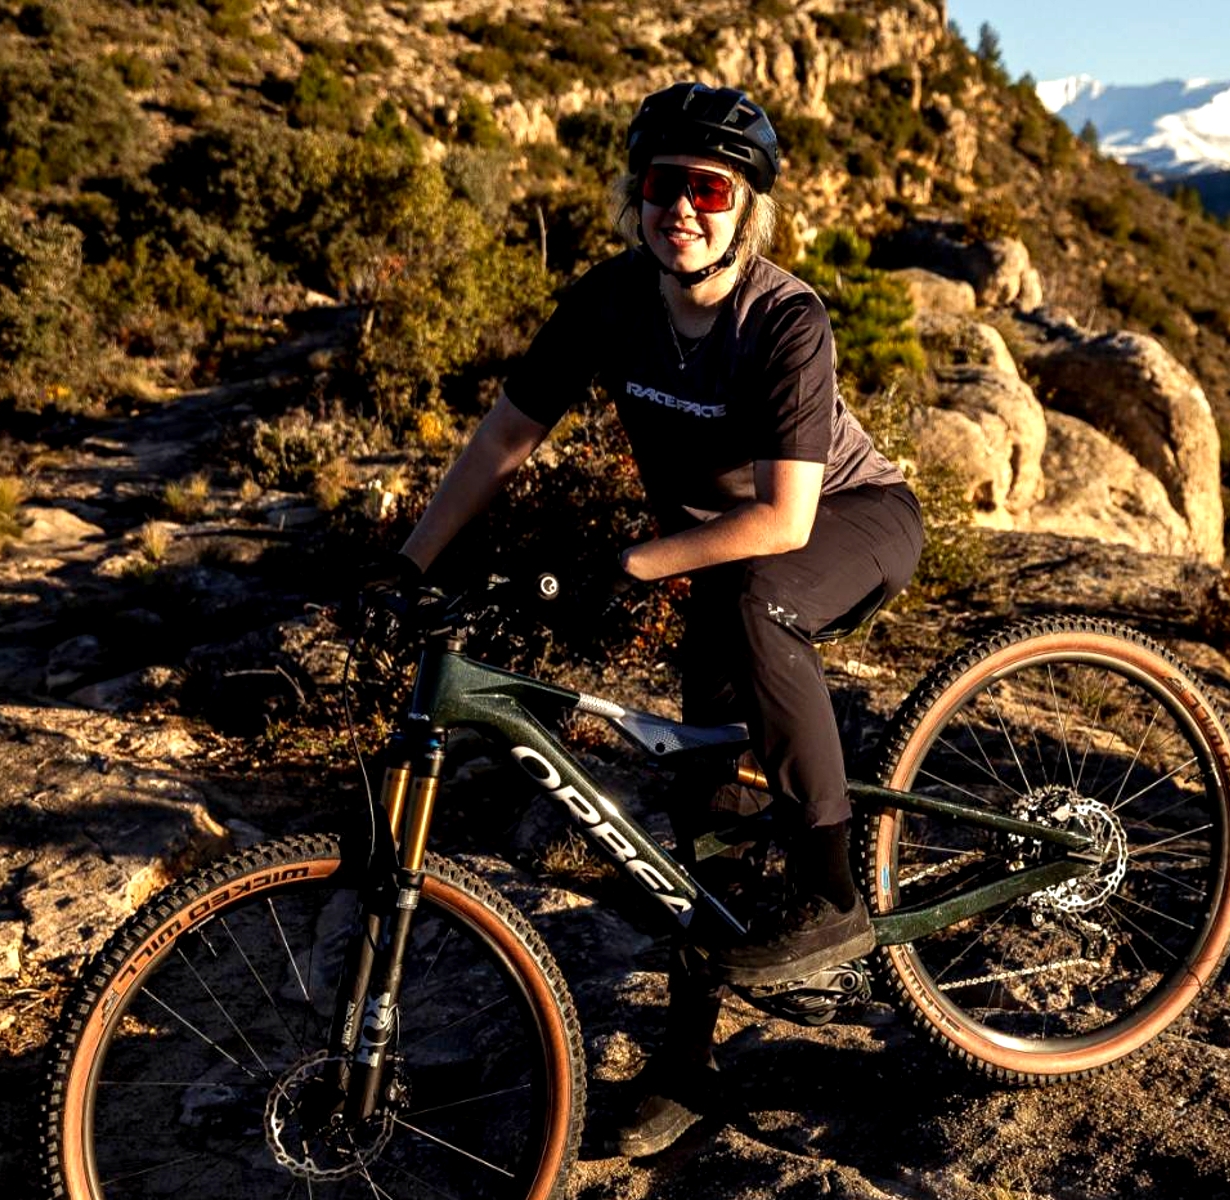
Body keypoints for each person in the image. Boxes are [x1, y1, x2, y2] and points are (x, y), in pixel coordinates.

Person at [386, 82, 925, 1156]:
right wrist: (405, 563)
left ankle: (830, 889)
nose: (682, 205)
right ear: (636, 196)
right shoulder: (609, 302)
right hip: (717, 555)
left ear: (747, 208)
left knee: (757, 598)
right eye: (661, 183)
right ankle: (689, 1065)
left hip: (849, 523)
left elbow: (784, 517)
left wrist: (627, 563)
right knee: (700, 809)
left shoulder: (783, 318)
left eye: (710, 187)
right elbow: (503, 438)